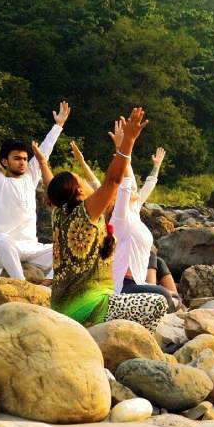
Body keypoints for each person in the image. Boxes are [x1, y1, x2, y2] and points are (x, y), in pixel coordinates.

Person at [46, 108, 167, 330]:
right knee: (158, 303)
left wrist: (44, 164)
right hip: (92, 307)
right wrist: (127, 142)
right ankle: (137, 342)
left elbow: (50, 186)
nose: (85, 181)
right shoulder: (86, 213)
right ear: (78, 192)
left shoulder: (58, 214)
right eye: (81, 180)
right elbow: (112, 181)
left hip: (60, 306)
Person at [0, 89, 68, 282]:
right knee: (2, 241)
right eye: (17, 158)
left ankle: (46, 286)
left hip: (31, 248)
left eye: (25, 159)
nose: (23, 162)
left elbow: (45, 150)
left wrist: (58, 125)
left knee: (67, 247)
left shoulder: (30, 177)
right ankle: (20, 285)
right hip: (2, 248)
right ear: (4, 162)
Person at [110, 147, 182, 310]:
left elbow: (145, 185)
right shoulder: (119, 216)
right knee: (164, 295)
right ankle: (169, 298)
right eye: (130, 189)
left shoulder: (134, 209)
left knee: (158, 261)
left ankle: (172, 299)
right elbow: (125, 185)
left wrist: (156, 166)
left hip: (137, 279)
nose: (135, 189)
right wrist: (123, 150)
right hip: (125, 286)